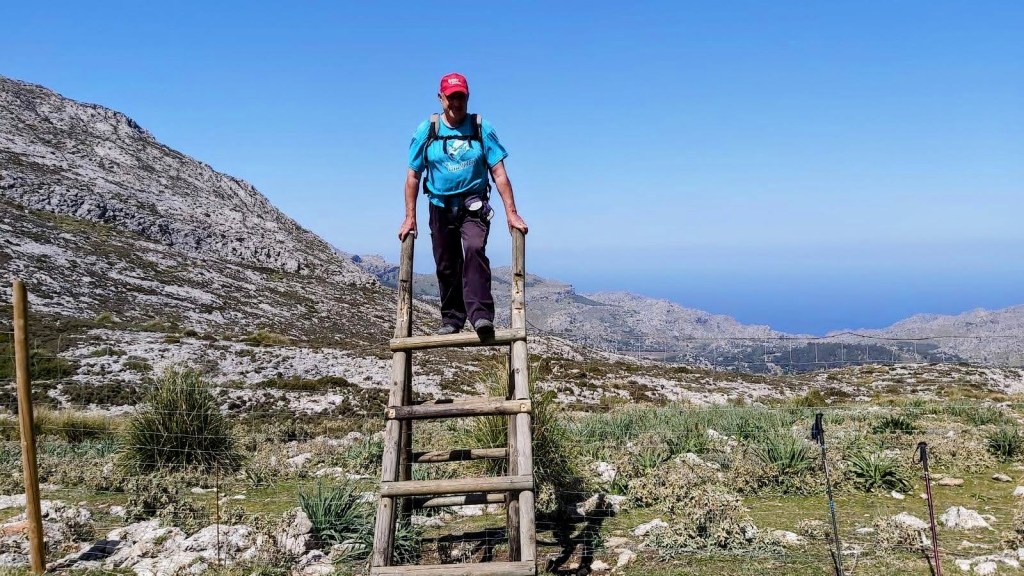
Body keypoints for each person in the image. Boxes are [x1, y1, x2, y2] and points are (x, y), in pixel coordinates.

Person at [398, 72, 528, 336]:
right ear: (440, 98)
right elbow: (413, 175)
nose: (456, 103)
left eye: (461, 97)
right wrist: (410, 217)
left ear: (467, 98)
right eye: (451, 97)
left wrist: (511, 214)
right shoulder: (428, 131)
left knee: (474, 248)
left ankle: (480, 315)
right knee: (446, 263)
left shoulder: (481, 128)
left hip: (474, 204)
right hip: (440, 206)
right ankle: (452, 319)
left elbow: (499, 173)